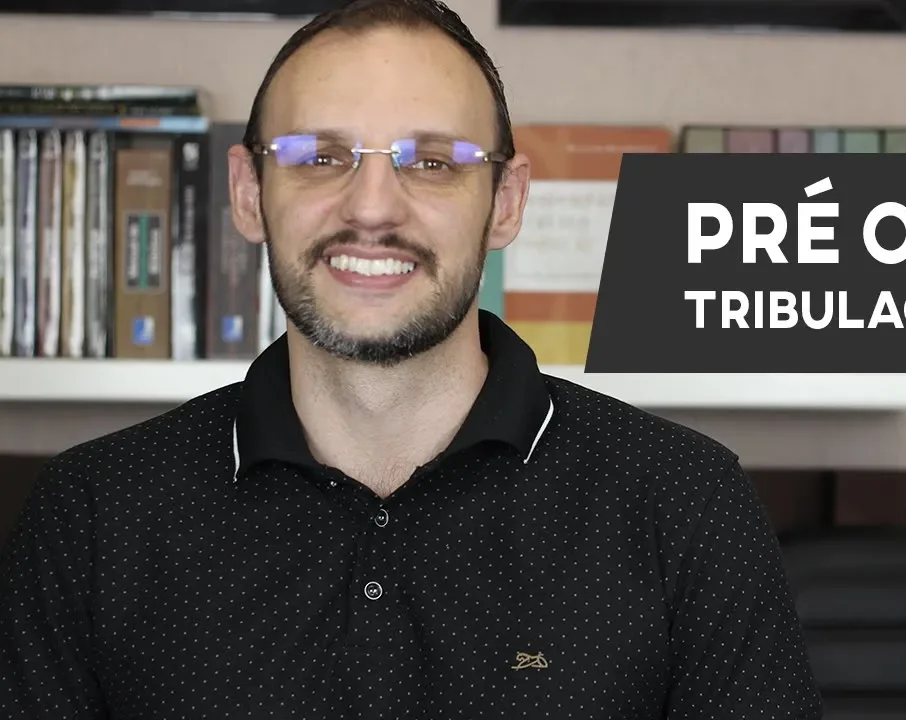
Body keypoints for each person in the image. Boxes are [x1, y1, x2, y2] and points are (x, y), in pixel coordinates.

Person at [0, 1, 822, 718]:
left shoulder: (685, 506)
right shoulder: (93, 517)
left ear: (505, 203)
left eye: (433, 163)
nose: (371, 208)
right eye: (320, 157)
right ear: (249, 193)